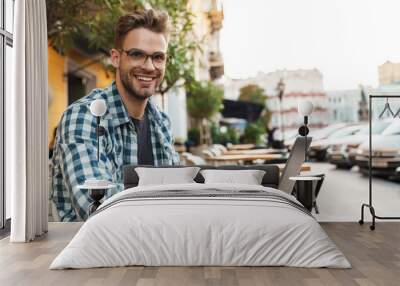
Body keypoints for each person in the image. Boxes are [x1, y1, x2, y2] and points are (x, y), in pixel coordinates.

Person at [51, 9, 180, 222]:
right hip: (94, 249)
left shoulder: (162, 123)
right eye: (137, 54)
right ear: (116, 57)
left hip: (157, 243)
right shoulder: (85, 116)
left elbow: (180, 191)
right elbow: (96, 207)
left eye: (158, 57)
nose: (149, 66)